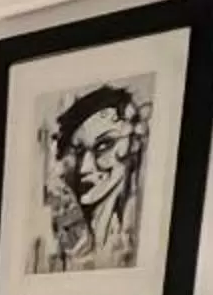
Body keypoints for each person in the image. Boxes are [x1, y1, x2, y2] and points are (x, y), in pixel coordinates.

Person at [36, 80, 149, 271]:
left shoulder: (139, 239)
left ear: (133, 143)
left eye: (104, 146)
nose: (84, 168)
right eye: (78, 152)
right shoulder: (59, 246)